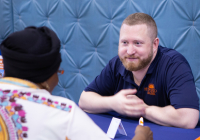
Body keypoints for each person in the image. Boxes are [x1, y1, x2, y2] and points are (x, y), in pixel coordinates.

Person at [0, 26, 153, 140]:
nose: (130, 51)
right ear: (47, 76)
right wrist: (141, 136)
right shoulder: (63, 112)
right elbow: (84, 100)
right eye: (58, 71)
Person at [79, 13, 199, 129]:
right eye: (125, 42)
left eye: (137, 43)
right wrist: (113, 103)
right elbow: (84, 100)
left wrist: (142, 109)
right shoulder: (116, 64)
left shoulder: (174, 65)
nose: (130, 51)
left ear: (154, 44)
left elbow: (188, 118)